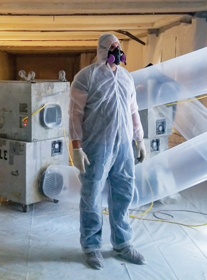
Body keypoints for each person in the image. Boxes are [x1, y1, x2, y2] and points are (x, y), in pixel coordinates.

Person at [69, 33, 148, 270]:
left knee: (123, 192)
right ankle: (92, 247)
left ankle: (123, 244)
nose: (117, 50)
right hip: (96, 145)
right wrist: (77, 147)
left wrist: (139, 139)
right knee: (92, 194)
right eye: (112, 47)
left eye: (119, 46)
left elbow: (133, 110)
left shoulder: (126, 77)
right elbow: (75, 115)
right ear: (102, 50)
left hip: (123, 144)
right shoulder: (86, 77)